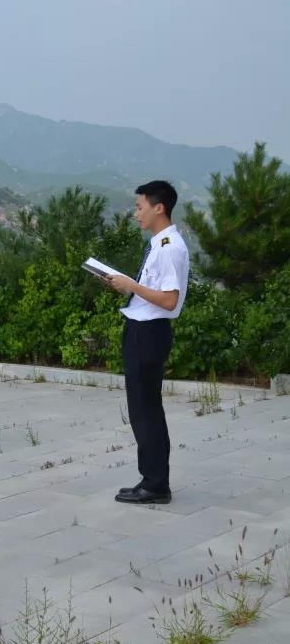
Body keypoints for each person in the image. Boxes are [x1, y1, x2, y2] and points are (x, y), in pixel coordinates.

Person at [106, 180, 190, 505]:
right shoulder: (159, 244)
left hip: (150, 332)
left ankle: (156, 485)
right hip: (141, 329)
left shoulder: (169, 247)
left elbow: (169, 300)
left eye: (140, 206)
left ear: (159, 207)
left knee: (146, 410)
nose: (136, 213)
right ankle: (151, 479)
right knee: (143, 409)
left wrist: (130, 286)